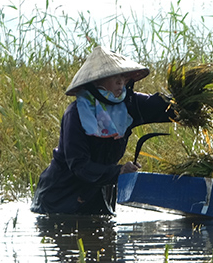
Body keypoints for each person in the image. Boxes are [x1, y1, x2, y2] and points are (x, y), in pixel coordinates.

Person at [31, 46, 176, 215]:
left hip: (98, 196)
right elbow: (79, 165)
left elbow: (164, 108)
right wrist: (118, 171)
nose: (120, 82)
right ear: (96, 81)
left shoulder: (127, 105)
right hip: (60, 198)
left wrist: (188, 100)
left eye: (122, 76)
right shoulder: (77, 113)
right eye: (113, 77)